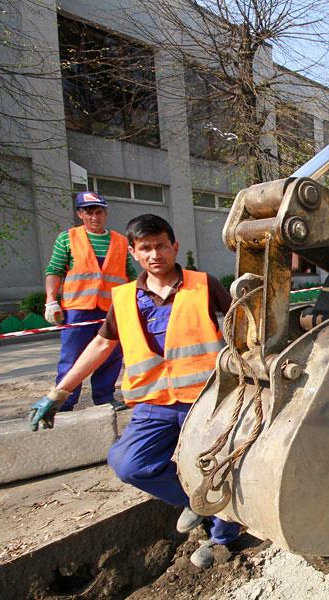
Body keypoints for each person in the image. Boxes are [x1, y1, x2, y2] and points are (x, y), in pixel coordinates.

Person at [29, 214, 239, 569]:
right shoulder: (125, 298)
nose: (154, 253)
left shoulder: (203, 285)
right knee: (129, 463)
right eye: (145, 248)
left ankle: (222, 538)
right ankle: (195, 500)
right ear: (134, 253)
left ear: (174, 247)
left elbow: (243, 323)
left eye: (161, 245)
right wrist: (59, 392)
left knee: (214, 467)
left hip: (204, 401)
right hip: (152, 405)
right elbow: (100, 345)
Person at [44, 192, 137, 411]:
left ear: (105, 213)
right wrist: (51, 300)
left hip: (111, 308)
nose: (94, 217)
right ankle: (64, 401)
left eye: (99, 212)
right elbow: (54, 270)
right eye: (89, 212)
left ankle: (105, 398)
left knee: (112, 354)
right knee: (72, 357)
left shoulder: (121, 241)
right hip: (78, 309)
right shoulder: (67, 238)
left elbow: (130, 274)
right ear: (79, 214)